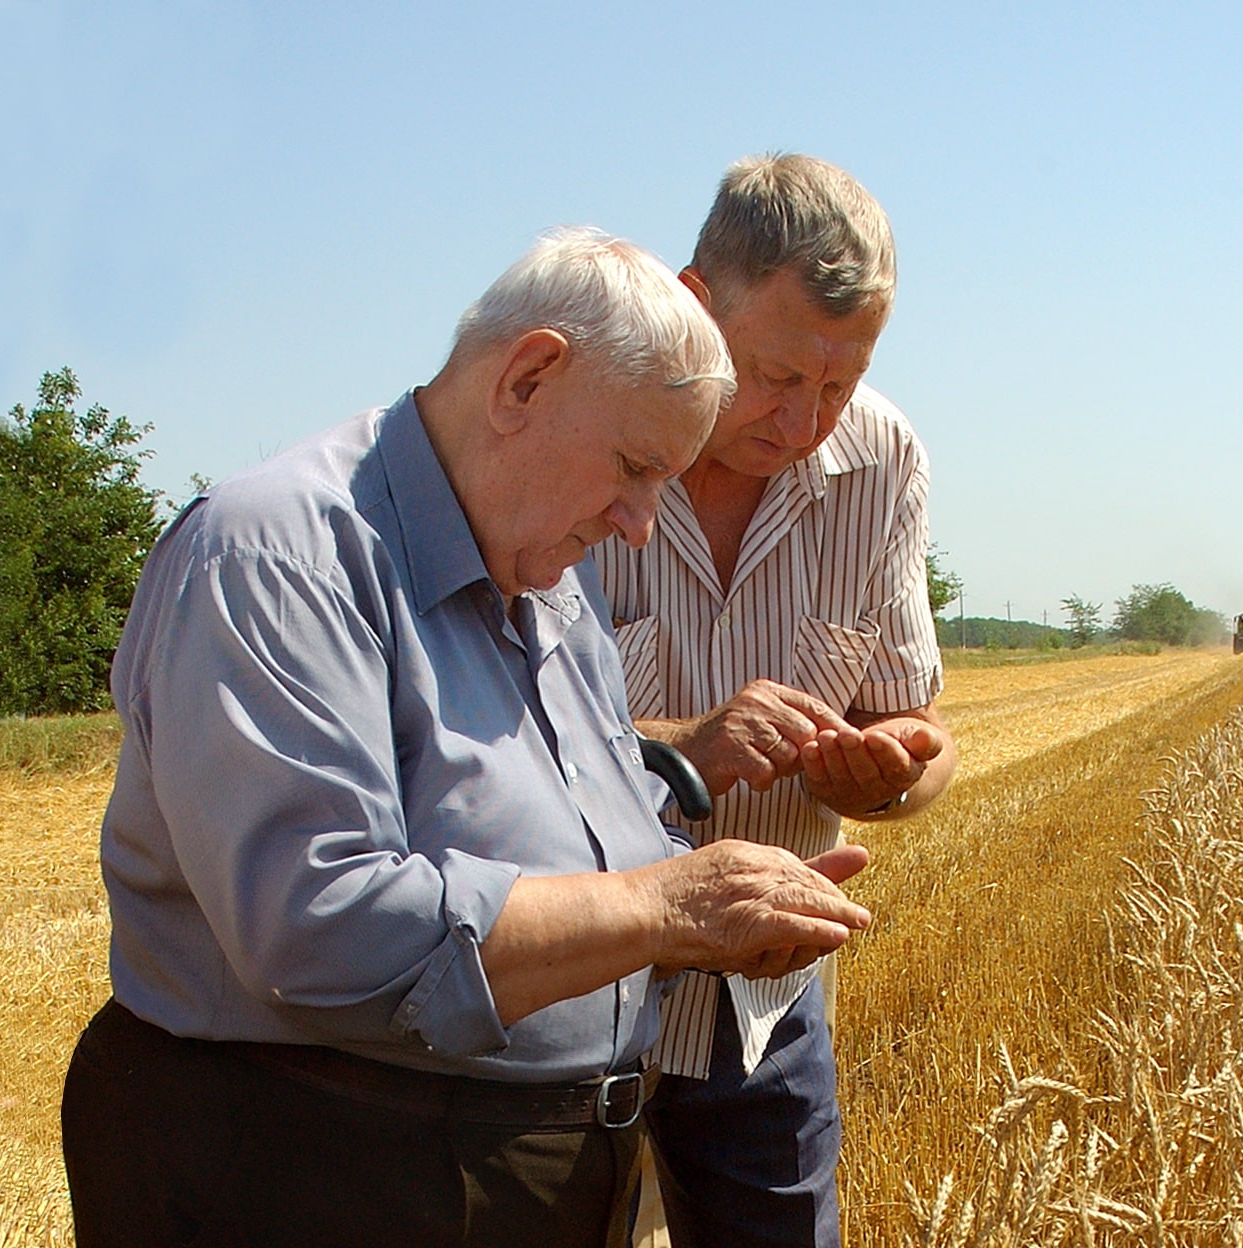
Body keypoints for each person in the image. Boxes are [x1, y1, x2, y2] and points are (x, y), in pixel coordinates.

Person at [60, 226, 876, 1248]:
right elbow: (321, 925)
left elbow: (592, 839)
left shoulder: (550, 584)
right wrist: (665, 907)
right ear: (527, 378)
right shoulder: (281, 555)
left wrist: (713, 915)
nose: (638, 524)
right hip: (307, 1166)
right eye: (633, 466)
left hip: (495, 1179)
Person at [595, 156, 957, 1247]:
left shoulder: (883, 459)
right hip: (572, 1005)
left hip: (764, 1013)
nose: (806, 423)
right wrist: (680, 744)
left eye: (838, 387)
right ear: (694, 303)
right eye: (774, 377)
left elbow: (927, 735)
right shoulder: (580, 441)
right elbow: (480, 734)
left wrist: (894, 771)